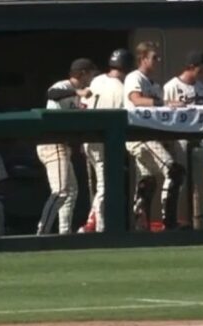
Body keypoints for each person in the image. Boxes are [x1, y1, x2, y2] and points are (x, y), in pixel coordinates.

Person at [124, 42, 186, 231]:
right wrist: (165, 103)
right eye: (154, 57)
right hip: (138, 134)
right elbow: (135, 99)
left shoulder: (155, 85)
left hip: (151, 136)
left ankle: (140, 224)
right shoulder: (135, 77)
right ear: (143, 59)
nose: (157, 61)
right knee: (174, 171)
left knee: (148, 181)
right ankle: (169, 221)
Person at [37, 58, 94, 235]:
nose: (92, 76)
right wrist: (77, 91)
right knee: (61, 191)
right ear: (83, 73)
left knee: (71, 191)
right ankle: (42, 232)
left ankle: (64, 233)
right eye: (90, 73)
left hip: (63, 145)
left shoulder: (78, 95)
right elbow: (51, 94)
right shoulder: (63, 85)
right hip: (51, 143)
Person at [78, 48, 132, 233]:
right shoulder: (123, 89)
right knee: (104, 185)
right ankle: (97, 226)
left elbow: (82, 109)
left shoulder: (97, 80)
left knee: (97, 185)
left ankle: (92, 223)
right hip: (104, 143)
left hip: (88, 139)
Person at [162, 51, 203, 229]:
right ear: (191, 67)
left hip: (198, 139)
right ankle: (170, 221)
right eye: (202, 68)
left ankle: (200, 224)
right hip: (179, 140)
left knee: (201, 185)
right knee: (178, 183)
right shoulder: (171, 86)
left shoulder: (201, 88)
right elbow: (162, 113)